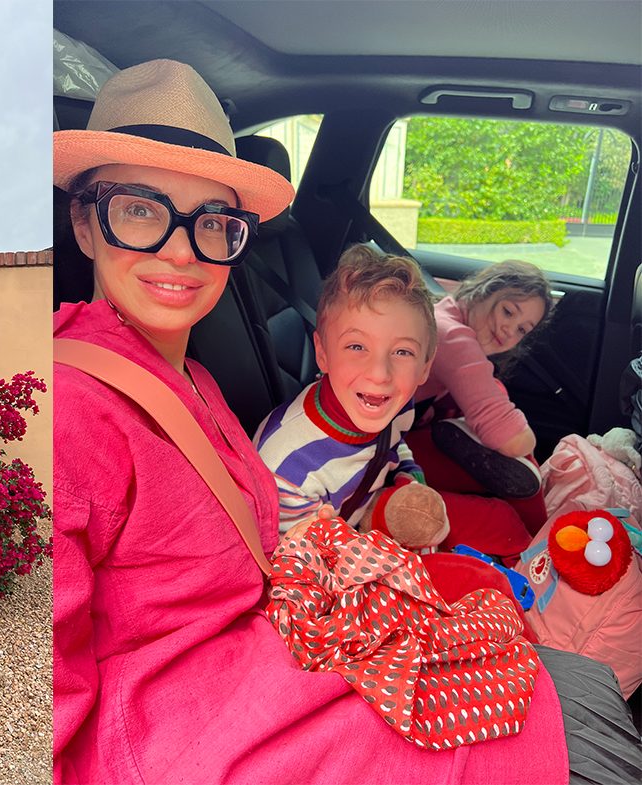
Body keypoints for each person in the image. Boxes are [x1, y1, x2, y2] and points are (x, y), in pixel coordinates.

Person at [53, 58, 569, 784]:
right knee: (513, 710)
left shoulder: (191, 377)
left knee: (498, 652)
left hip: (259, 656)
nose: (179, 246)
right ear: (84, 221)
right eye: (139, 209)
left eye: (210, 220)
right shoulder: (62, 409)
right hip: (177, 735)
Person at [253, 246, 447, 549]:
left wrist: (409, 478)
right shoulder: (288, 469)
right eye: (357, 347)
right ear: (322, 353)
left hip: (365, 512)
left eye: (402, 352)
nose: (380, 374)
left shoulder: (395, 403)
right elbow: (296, 571)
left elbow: (395, 445)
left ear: (425, 367)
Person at [411, 261, 553, 527]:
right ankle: (538, 534)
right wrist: (525, 439)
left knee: (494, 394)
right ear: (483, 291)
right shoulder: (453, 337)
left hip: (400, 426)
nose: (511, 330)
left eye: (523, 329)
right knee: (507, 498)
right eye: (508, 311)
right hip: (376, 450)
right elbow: (514, 441)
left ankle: (535, 529)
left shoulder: (444, 313)